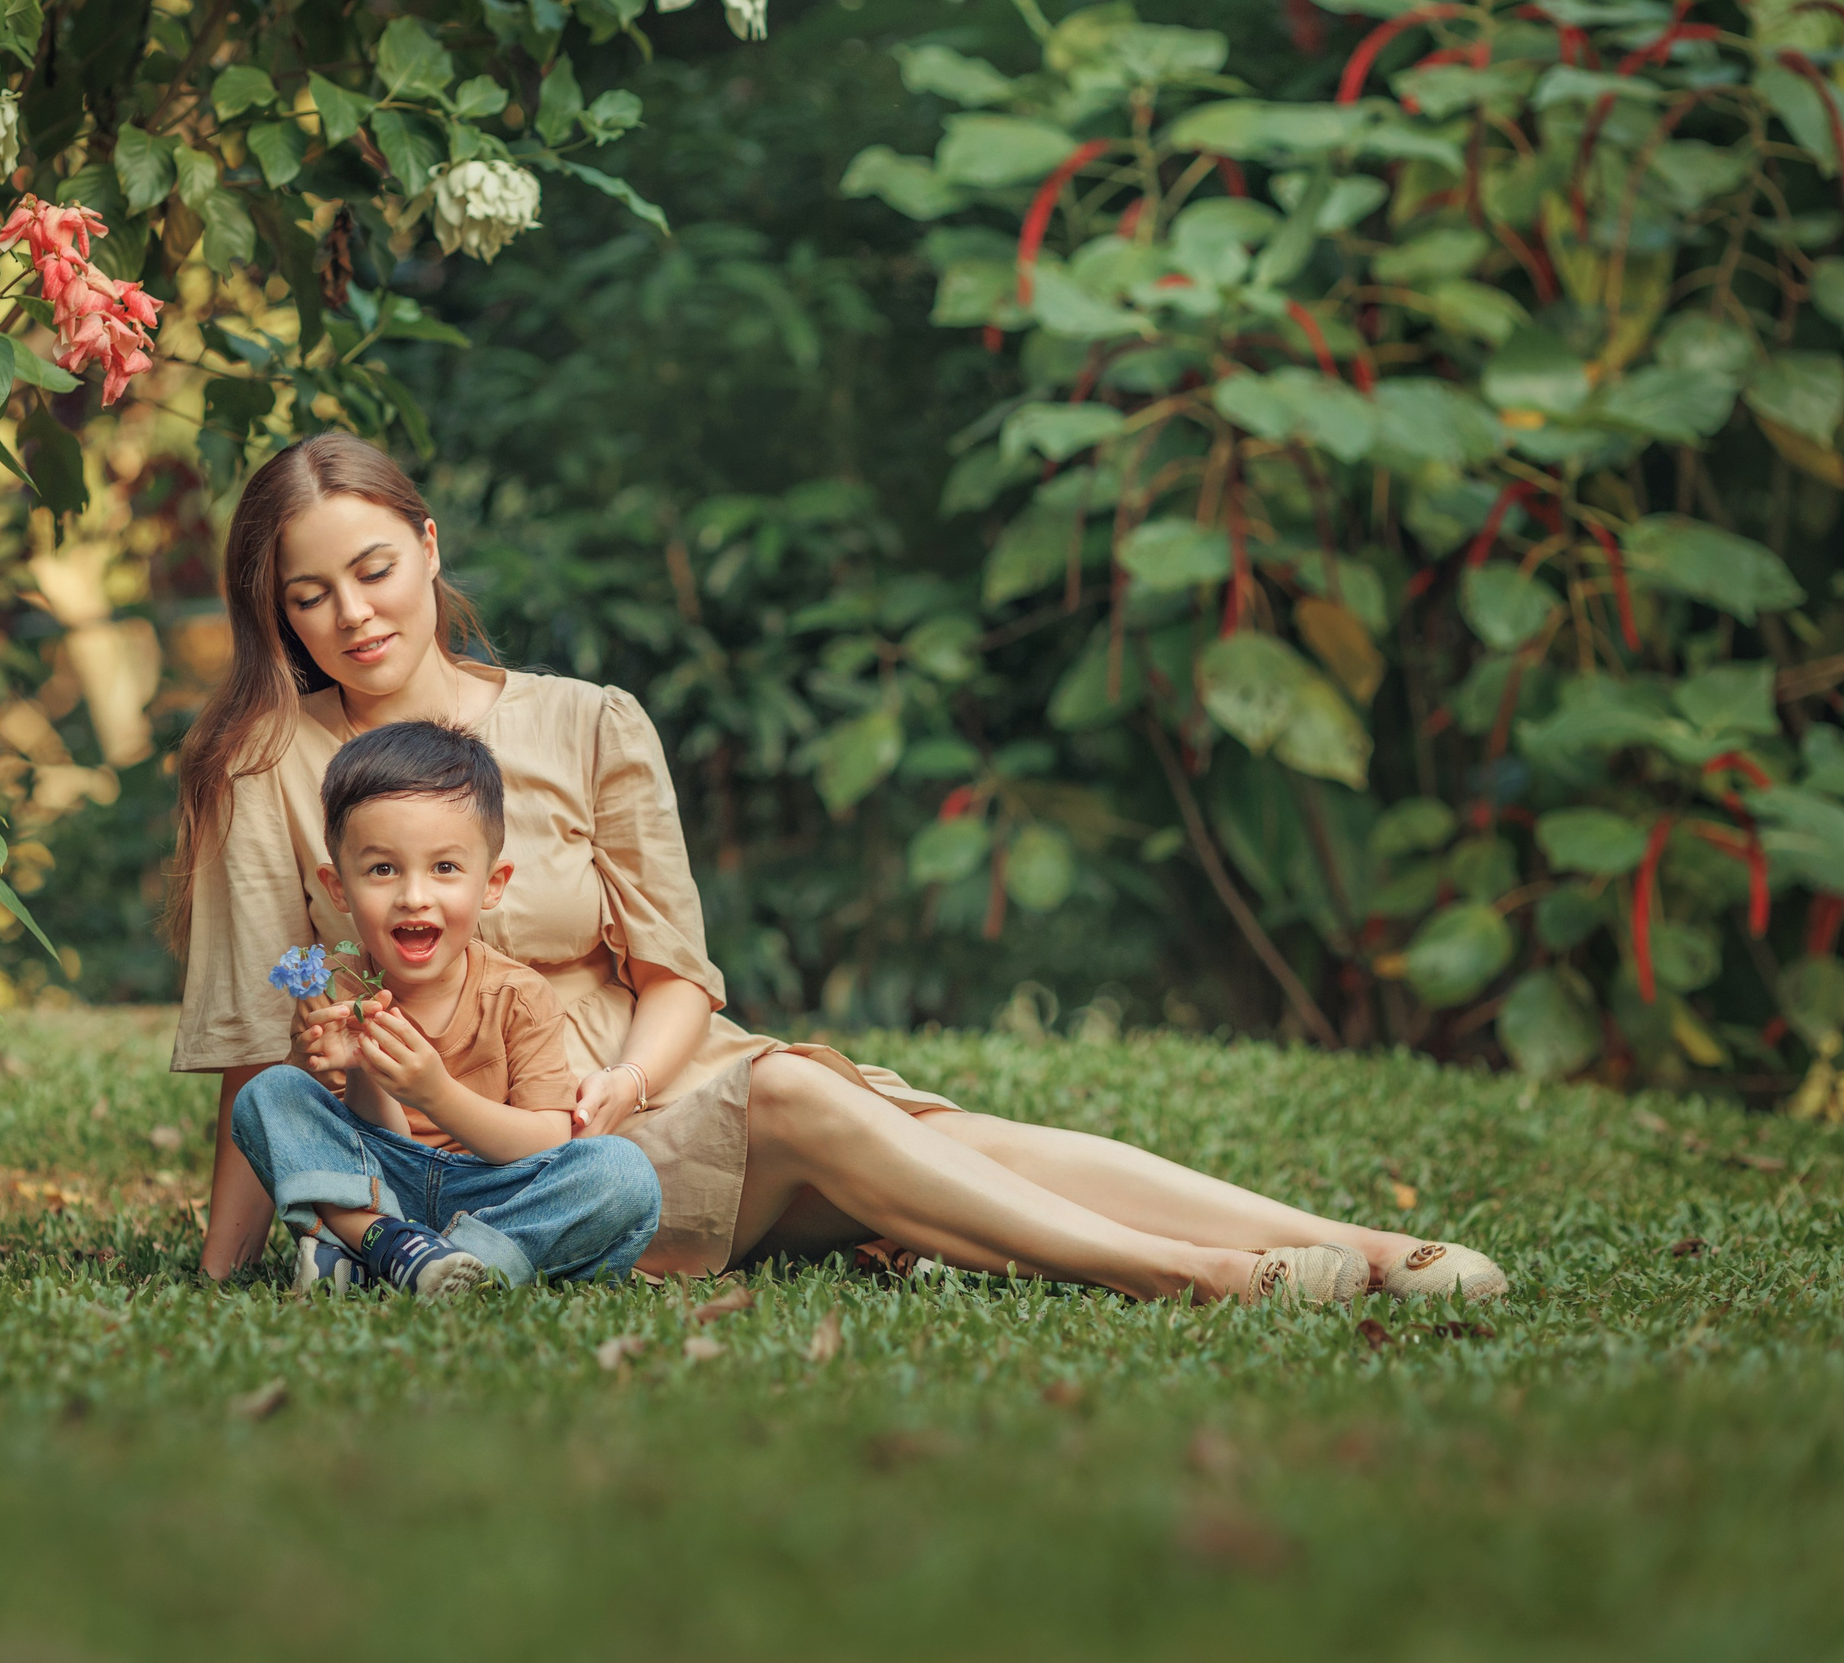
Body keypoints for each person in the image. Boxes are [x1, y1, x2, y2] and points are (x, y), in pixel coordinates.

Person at [170, 432, 1507, 1306]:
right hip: (531, 1149)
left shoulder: (587, 720)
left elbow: (677, 971)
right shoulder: (265, 768)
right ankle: (1199, 1273)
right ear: (275, 612)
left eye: (374, 568)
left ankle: (1377, 1251)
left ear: (430, 548)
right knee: (807, 1099)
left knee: (943, 1134)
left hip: (652, 1077)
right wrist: (229, 1263)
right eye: (308, 594)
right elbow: (255, 1043)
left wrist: (633, 1076)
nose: (353, 613)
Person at [227, 718, 661, 1297]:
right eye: (382, 869)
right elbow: (359, 1146)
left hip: (494, 1192)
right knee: (268, 1094)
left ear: (492, 883)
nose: (414, 894)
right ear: (338, 888)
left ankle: (420, 1263)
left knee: (621, 1172)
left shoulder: (517, 995)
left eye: (445, 868)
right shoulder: (343, 994)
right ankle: (397, 1248)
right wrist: (361, 1070)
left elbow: (549, 1142)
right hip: (386, 1191)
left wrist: (437, 1094)